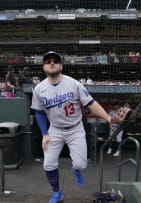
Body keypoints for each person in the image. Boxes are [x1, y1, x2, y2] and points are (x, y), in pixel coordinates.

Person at [31, 51, 112, 203]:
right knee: (48, 165)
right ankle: (56, 193)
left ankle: (76, 170)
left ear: (61, 65)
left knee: (81, 164)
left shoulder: (74, 84)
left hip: (75, 128)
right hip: (54, 130)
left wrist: (107, 117)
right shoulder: (38, 89)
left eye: (55, 61)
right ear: (44, 67)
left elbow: (91, 103)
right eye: (48, 61)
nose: (52, 63)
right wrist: (44, 134)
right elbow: (39, 113)